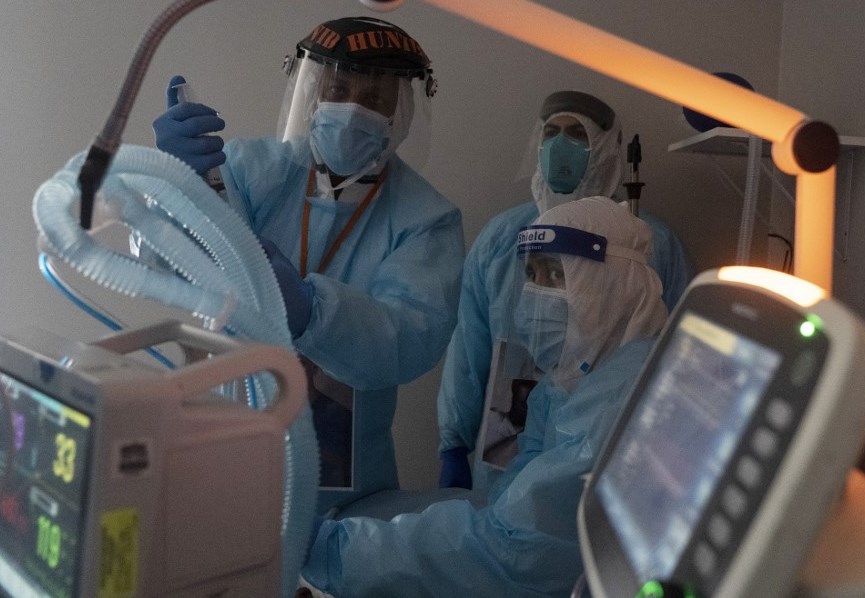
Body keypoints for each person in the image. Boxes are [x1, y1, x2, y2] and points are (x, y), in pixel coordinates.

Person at [151, 16, 464, 509]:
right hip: (227, 451)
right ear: (313, 92)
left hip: (347, 488)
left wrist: (314, 310)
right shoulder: (247, 171)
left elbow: (410, 338)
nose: (353, 109)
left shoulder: (425, 218)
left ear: (402, 111)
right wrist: (176, 191)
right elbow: (170, 268)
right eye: (338, 89)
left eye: (375, 97)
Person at [299, 196, 669, 598]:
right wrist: (454, 441)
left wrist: (337, 552)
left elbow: (516, 551)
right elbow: (516, 504)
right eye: (531, 274)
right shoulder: (569, 386)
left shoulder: (622, 401)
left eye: (554, 274)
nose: (535, 295)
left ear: (611, 282)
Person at [437, 90, 693, 490]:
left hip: (607, 448)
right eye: (551, 133)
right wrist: (454, 441)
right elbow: (470, 347)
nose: (560, 146)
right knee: (508, 514)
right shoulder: (502, 240)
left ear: (606, 148)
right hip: (507, 444)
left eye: (577, 134)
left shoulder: (643, 244)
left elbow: (679, 353)